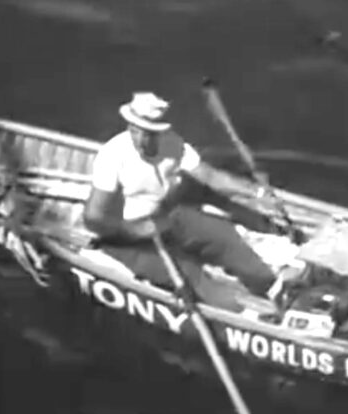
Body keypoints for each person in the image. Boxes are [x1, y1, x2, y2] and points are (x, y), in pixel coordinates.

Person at [82, 91, 283, 309]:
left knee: (224, 236)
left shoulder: (173, 145)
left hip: (167, 218)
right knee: (189, 273)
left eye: (148, 134)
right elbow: (93, 218)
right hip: (125, 238)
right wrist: (135, 230)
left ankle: (275, 288)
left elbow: (210, 177)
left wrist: (257, 193)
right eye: (135, 131)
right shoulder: (113, 156)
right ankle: (244, 313)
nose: (140, 140)